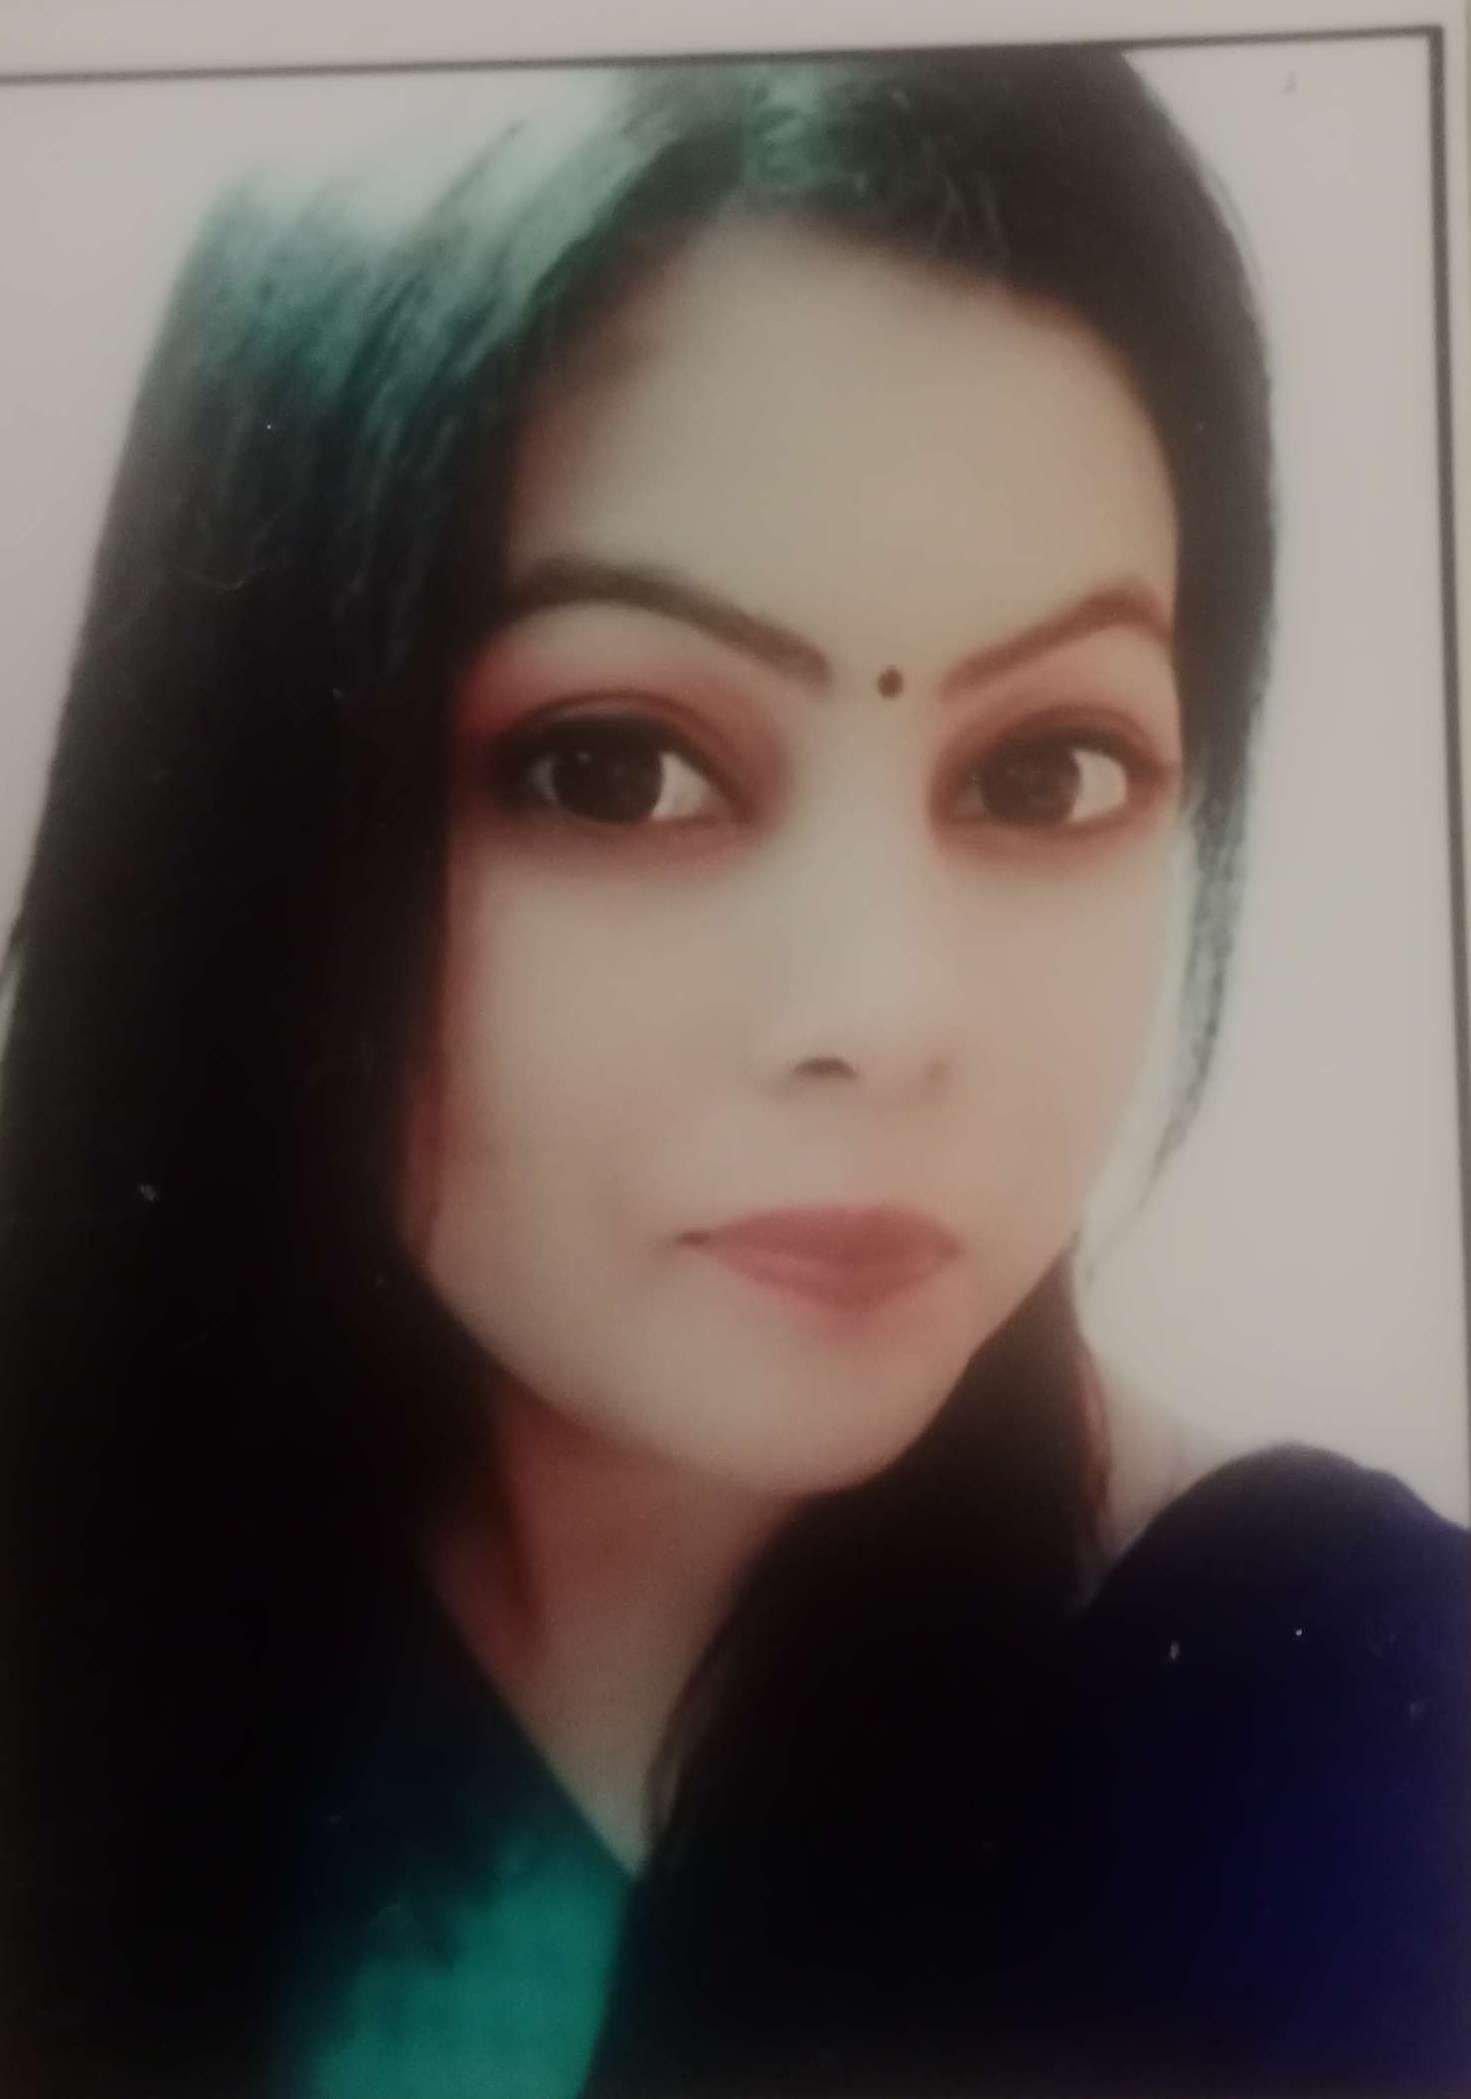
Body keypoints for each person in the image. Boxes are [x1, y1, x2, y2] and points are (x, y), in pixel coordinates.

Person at [0, 42, 1466, 2099]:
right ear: (239, 798)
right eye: (618, 766)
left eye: (1048, 770)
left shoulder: (1345, 1735)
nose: (888, 1008)